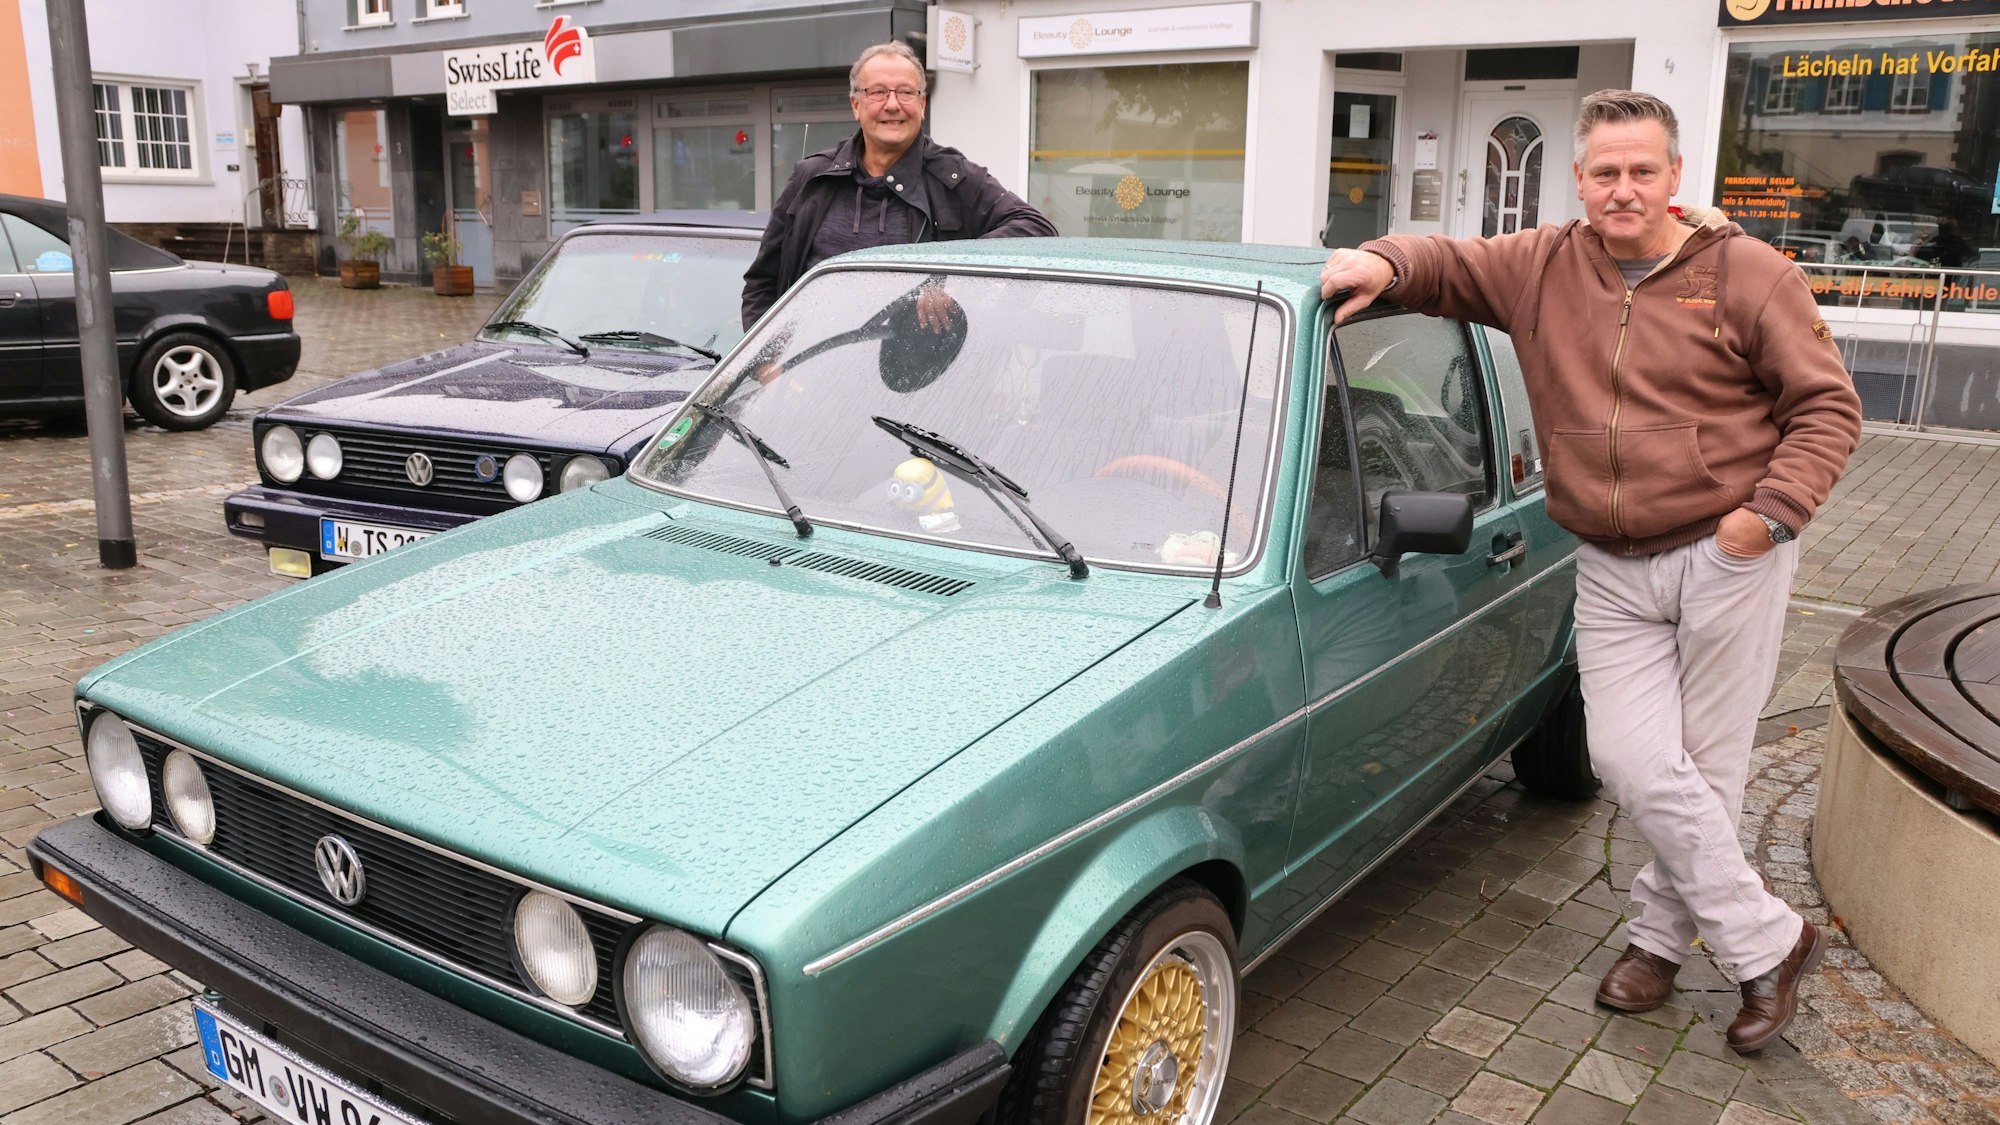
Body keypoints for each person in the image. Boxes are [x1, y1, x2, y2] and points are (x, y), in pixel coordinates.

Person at [1319, 90, 1862, 1054]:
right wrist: (1385, 258)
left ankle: (1658, 939)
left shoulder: (1749, 273)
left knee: (1708, 771)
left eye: (1641, 170)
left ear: (1673, 177)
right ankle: (1770, 939)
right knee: (1631, 759)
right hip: (1609, 563)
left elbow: (1827, 409)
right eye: (1605, 171)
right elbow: (1446, 264)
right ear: (1579, 180)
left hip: (1724, 555)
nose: (1623, 188)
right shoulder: (1541, 264)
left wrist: (1765, 518)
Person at [739, 41, 1055, 330]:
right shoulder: (813, 177)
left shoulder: (954, 178)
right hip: (810, 374)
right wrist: (766, 364)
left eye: (905, 92)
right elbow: (762, 283)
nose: (893, 105)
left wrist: (957, 274)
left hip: (913, 381)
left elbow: (1036, 227)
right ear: (855, 104)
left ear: (922, 104)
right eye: (877, 92)